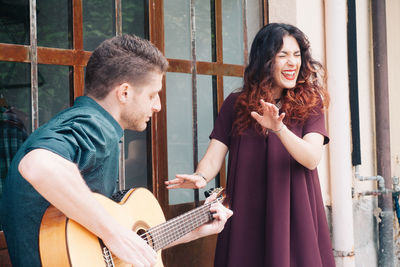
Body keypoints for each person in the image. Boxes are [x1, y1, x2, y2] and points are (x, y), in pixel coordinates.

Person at [0, 34, 232, 267]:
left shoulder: (87, 125)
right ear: (124, 93)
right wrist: (114, 234)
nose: (158, 106)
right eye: (153, 95)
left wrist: (193, 229)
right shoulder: (94, 126)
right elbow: (38, 164)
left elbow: (101, 251)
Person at [166, 23, 335, 267]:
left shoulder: (310, 103)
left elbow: (311, 158)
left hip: (295, 213)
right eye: (283, 55)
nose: (292, 63)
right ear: (265, 60)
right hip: (246, 210)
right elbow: (215, 155)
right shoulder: (237, 104)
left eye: (297, 55)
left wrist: (279, 129)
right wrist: (201, 175)